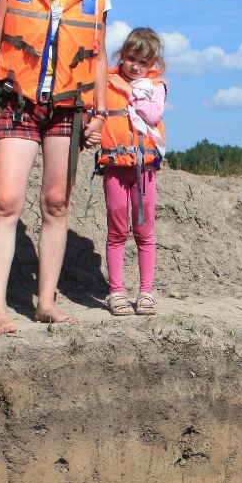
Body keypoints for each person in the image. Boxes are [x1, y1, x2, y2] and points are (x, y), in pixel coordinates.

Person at [0, 0, 109, 333]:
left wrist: (101, 111)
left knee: (57, 204)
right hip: (18, 101)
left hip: (68, 107)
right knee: (6, 203)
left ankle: (46, 302)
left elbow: (100, 50)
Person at [97, 28, 167, 316]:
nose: (134, 66)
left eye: (142, 62)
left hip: (144, 170)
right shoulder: (105, 81)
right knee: (116, 232)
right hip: (115, 168)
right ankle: (116, 292)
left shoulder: (156, 88)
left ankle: (146, 292)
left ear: (153, 66)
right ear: (122, 56)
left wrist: (128, 91)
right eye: (130, 58)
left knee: (144, 232)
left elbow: (152, 115)